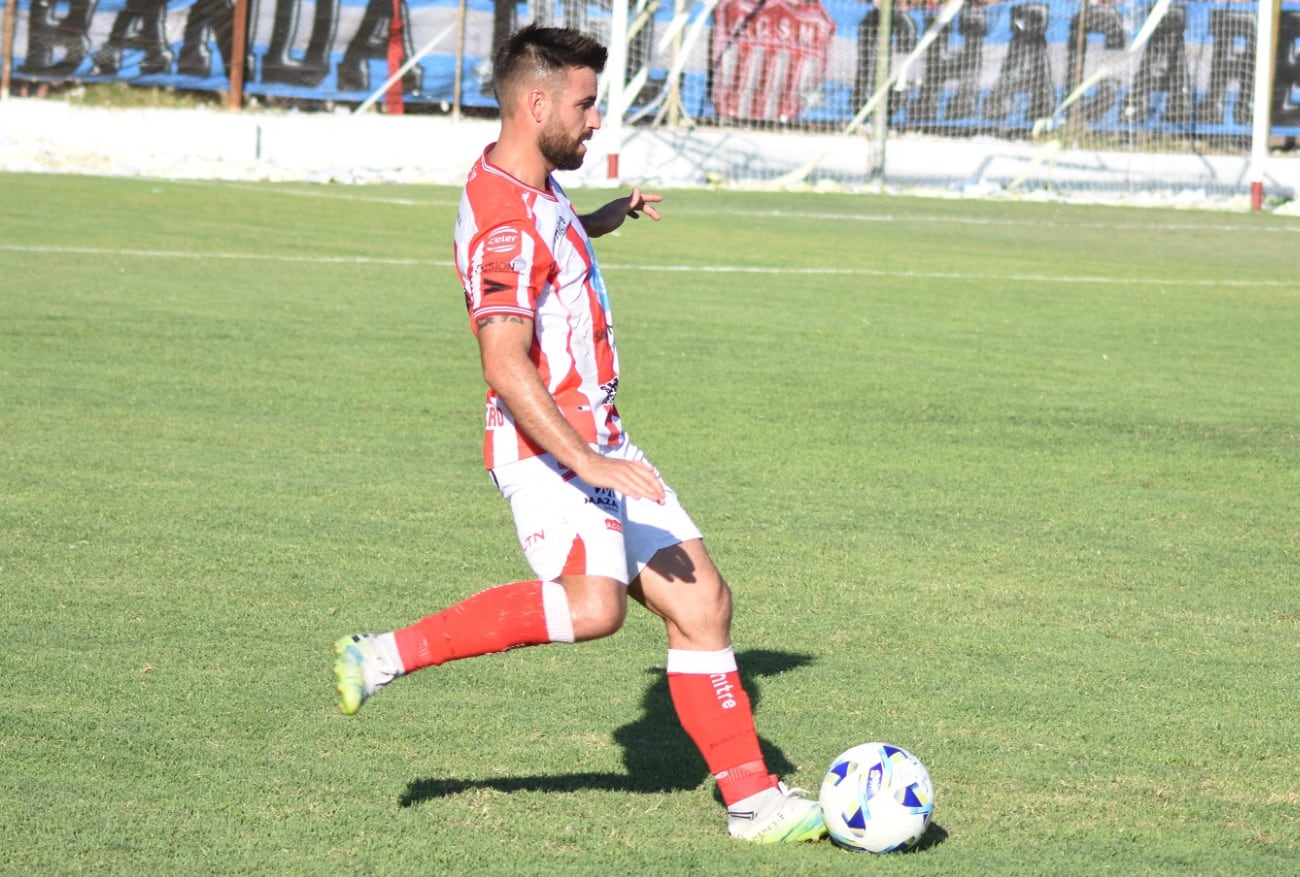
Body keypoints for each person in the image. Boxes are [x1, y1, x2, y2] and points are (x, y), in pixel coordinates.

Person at [331, 23, 825, 845]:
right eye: (587, 105)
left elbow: (552, 240)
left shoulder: (533, 186)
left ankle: (753, 802)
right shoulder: (503, 219)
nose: (597, 121)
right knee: (596, 608)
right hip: (552, 448)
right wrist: (588, 459)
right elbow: (503, 360)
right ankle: (381, 654)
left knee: (704, 601)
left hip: (601, 443)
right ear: (536, 104)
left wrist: (605, 216)